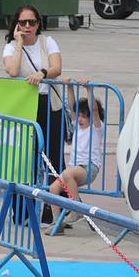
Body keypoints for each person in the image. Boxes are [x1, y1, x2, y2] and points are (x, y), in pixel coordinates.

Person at [2, 3, 64, 175]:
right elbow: (13, 70)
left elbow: (57, 68)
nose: (28, 26)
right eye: (23, 23)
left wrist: (42, 73)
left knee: (54, 156)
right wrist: (19, 43)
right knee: (26, 156)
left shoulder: (48, 42)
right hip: (25, 106)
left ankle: (58, 200)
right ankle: (26, 199)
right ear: (16, 25)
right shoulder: (11, 47)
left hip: (49, 103)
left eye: (32, 22)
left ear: (38, 24)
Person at [45, 95, 107, 233]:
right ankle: (57, 223)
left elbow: (95, 110)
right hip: (75, 170)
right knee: (53, 188)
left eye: (84, 116)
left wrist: (88, 89)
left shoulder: (97, 128)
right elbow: (72, 107)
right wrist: (70, 88)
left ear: (91, 117)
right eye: (79, 116)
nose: (80, 119)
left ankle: (76, 209)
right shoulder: (77, 126)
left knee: (67, 174)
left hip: (89, 167)